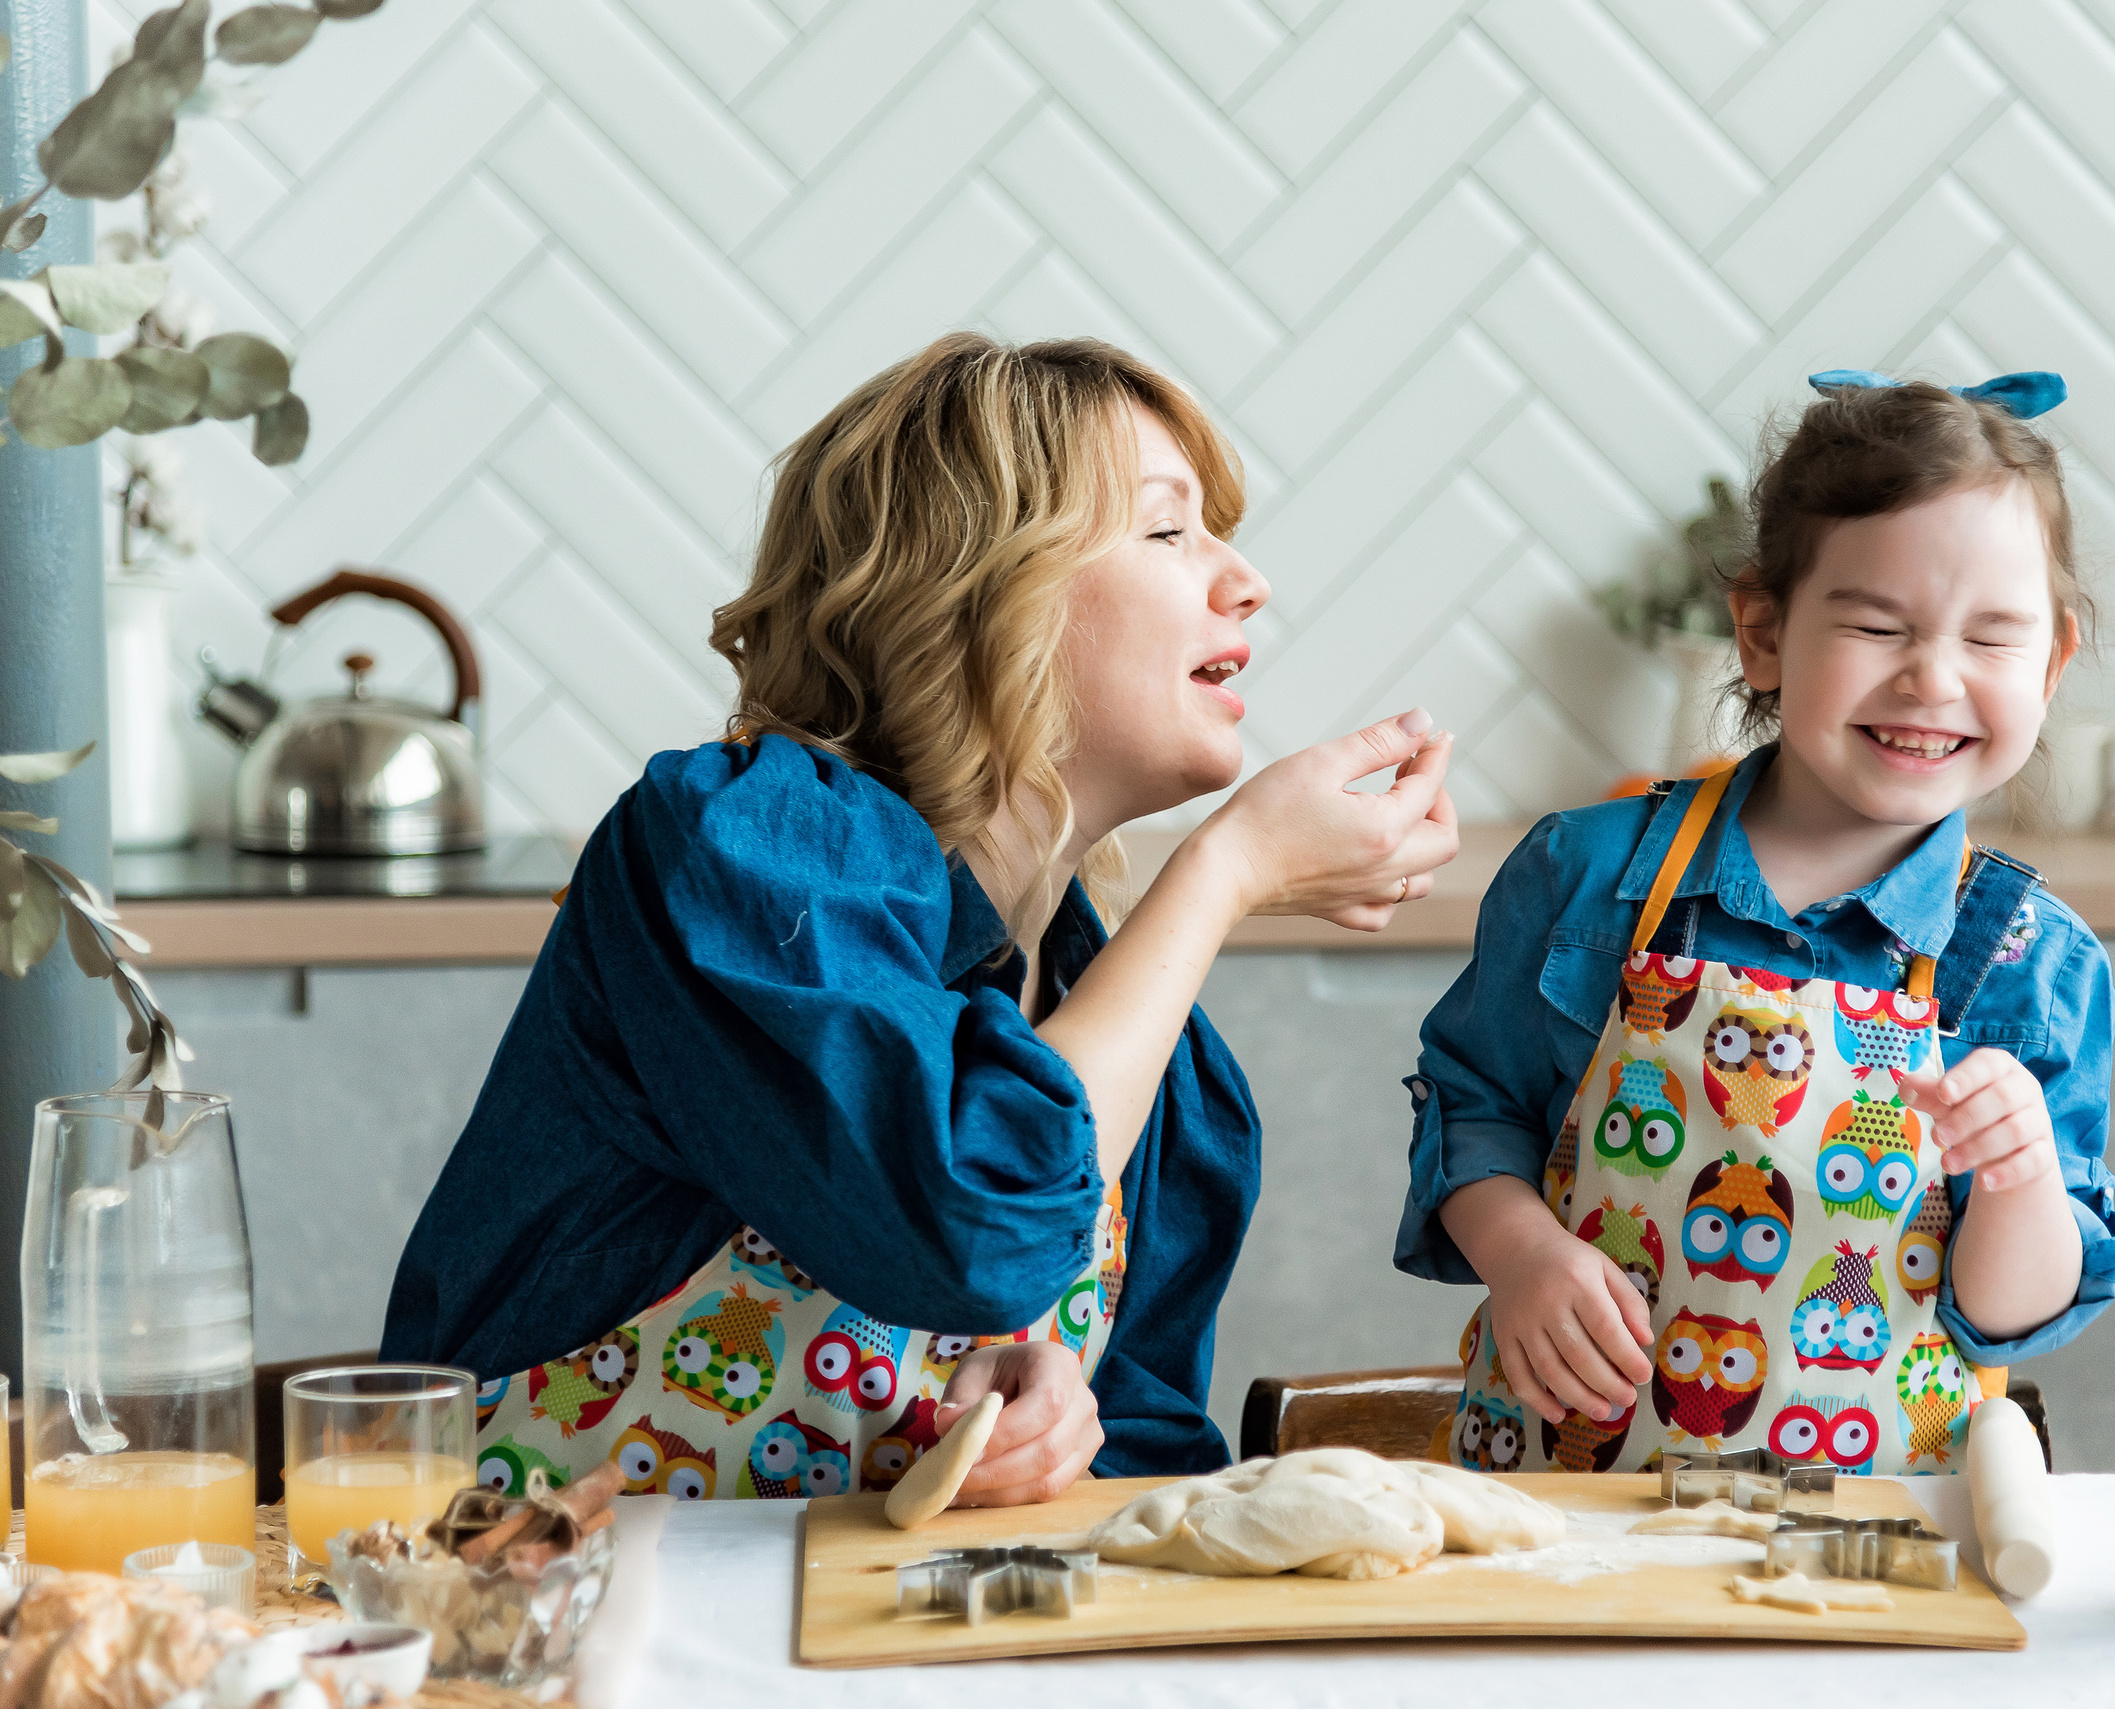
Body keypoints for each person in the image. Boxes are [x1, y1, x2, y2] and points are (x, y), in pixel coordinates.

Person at [383, 334, 1458, 1508]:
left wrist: (1057, 1423)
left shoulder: (1164, 1063)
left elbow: (1142, 1456)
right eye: (1166, 529)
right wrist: (1226, 866)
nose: (1244, 577)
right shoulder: (740, 851)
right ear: (980, 592)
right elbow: (972, 1226)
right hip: (530, 1633)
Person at [1400, 371, 2115, 1478]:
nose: (1932, 677)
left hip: (1873, 1547)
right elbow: (1472, 1106)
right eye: (1879, 624)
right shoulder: (1586, 876)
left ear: (2054, 660)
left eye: (1992, 638)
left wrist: (2023, 1173)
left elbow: (2006, 1310)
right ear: (1762, 631)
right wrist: (1520, 1254)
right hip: (1566, 1515)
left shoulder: (2028, 960)